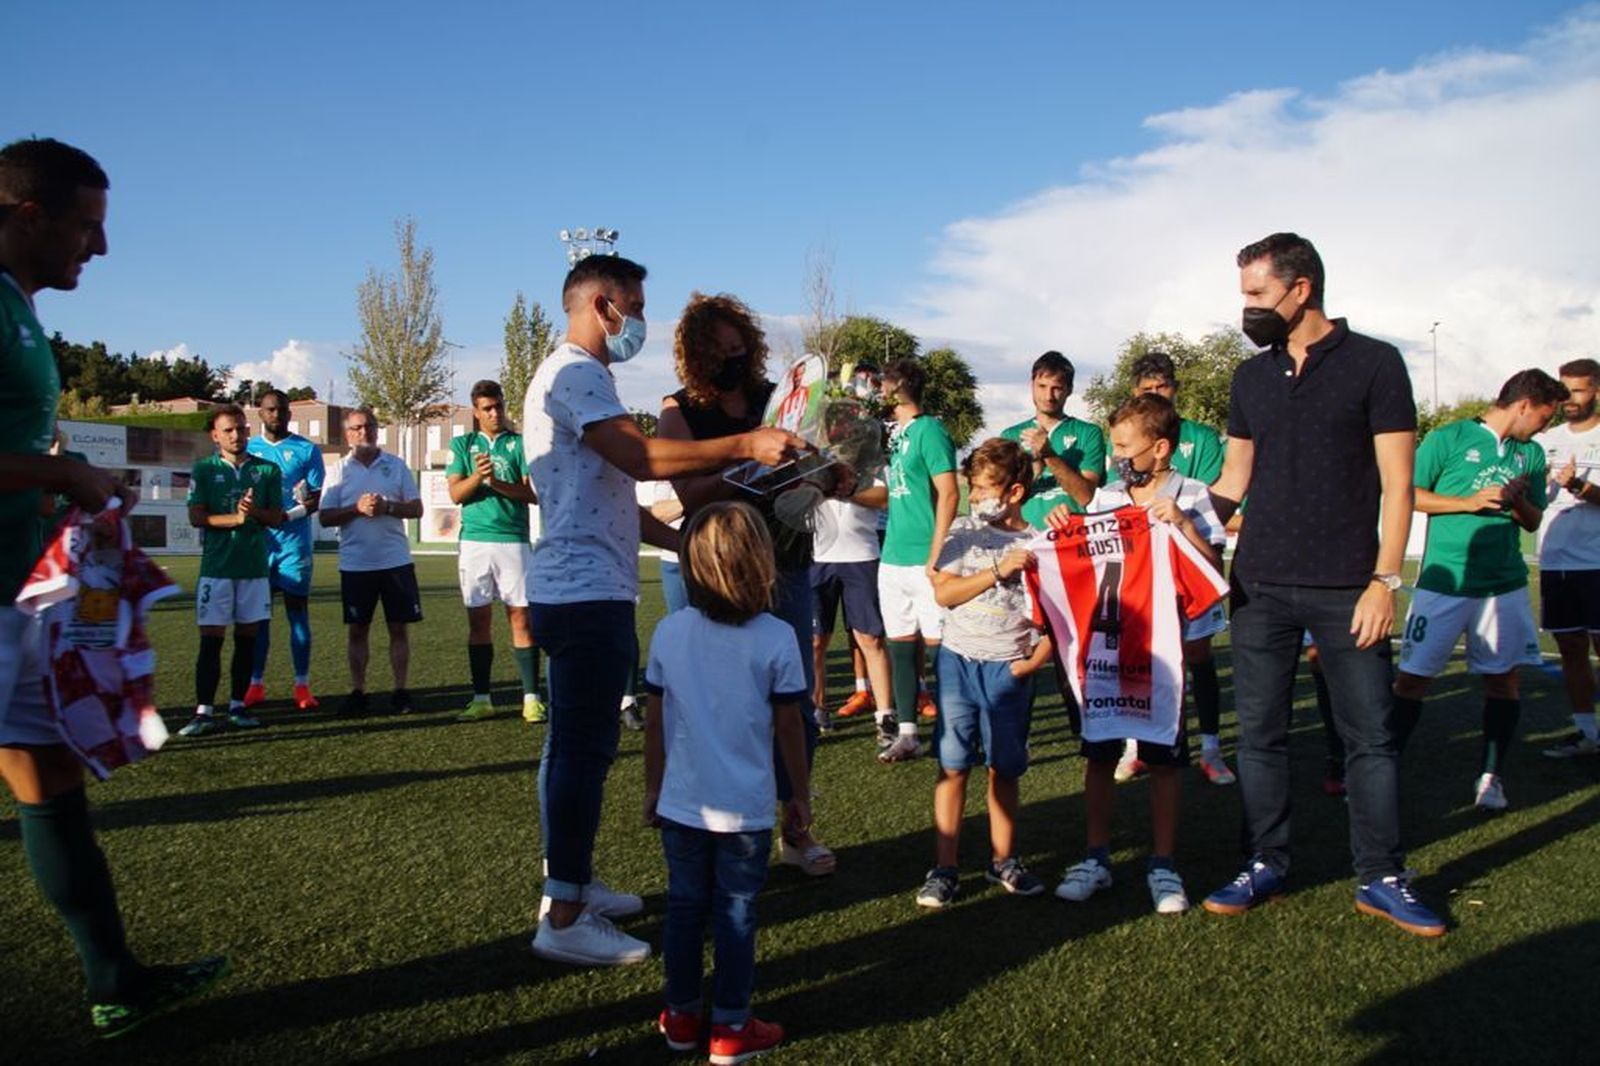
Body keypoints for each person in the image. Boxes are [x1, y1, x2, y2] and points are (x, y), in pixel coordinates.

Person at [0, 135, 228, 1037]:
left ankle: (114, 978)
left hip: (18, 587)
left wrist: (62, 479)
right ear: (28, 215)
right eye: (87, 226)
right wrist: (62, 478)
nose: (98, 249)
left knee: (48, 773)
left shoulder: (18, 304)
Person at [523, 256, 803, 967]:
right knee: (583, 754)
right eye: (634, 306)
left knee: (572, 749)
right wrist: (745, 443)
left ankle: (574, 882)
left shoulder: (580, 377)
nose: (638, 321)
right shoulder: (574, 373)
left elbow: (617, 498)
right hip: (584, 591)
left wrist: (686, 542)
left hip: (582, 583)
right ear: (601, 304)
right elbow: (644, 462)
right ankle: (563, 914)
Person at [1204, 232, 1444, 938]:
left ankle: (1380, 875)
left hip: (1349, 586)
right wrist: (1178, 522)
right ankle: (1265, 861)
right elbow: (1233, 481)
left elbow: (1399, 485)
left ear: (1300, 287)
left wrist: (1385, 580)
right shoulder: (1250, 378)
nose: (1246, 308)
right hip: (1259, 587)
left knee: (1369, 737)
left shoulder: (1376, 363)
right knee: (1261, 736)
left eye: (1255, 294)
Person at [657, 291, 836, 875]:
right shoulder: (678, 410)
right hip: (713, 565)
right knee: (716, 706)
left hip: (784, 559)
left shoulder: (778, 401)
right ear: (696, 357)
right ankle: (706, 825)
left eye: (739, 349)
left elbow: (816, 466)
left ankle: (797, 828)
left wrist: (829, 471)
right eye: (720, 352)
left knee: (795, 705)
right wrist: (749, 464)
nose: (734, 360)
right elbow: (688, 495)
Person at [644, 501, 809, 1063]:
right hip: (746, 810)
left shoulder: (670, 632)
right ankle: (731, 1026)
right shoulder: (778, 637)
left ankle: (683, 1016)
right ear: (761, 563)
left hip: (683, 804)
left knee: (685, 910)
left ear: (690, 565)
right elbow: (790, 726)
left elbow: (658, 725)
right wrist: (800, 795)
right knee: (736, 913)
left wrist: (652, 788)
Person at [1052, 395, 1222, 914]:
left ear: (1161, 447)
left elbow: (1215, 571)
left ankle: (1164, 865)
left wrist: (1184, 526)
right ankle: (1096, 857)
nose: (1119, 456)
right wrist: (1065, 526)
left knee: (1164, 758)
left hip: (1161, 652)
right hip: (1108, 647)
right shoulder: (1104, 498)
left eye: (1126, 446)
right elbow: (1083, 559)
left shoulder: (1192, 494)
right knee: (1100, 754)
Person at [1391, 370, 1564, 810]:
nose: (1547, 425)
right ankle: (1381, 769)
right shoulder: (1448, 439)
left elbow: (1533, 520)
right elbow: (1406, 494)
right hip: (1445, 581)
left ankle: (1490, 777)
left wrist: (1517, 499)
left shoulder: (1532, 454)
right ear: (1525, 404)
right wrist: (1467, 502)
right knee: (1412, 681)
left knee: (1504, 682)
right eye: (1546, 415)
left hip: (1503, 585)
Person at [915, 439, 1052, 908]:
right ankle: (944, 867)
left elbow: (1060, 616)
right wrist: (996, 569)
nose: (975, 497)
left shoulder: (1038, 544)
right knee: (953, 765)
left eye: (981, 488)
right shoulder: (963, 532)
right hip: (958, 662)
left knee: (1003, 768)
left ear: (1014, 492)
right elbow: (944, 595)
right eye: (972, 488)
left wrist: (1034, 662)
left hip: (1007, 667)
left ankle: (1003, 860)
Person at [1127, 351, 1232, 786]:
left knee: (1198, 658)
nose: (1155, 394)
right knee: (1142, 659)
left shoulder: (1201, 438)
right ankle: (1136, 747)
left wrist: (1180, 518)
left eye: (1162, 387)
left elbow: (1209, 497)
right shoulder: (1124, 467)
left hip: (1191, 569)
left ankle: (1211, 747)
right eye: (1146, 389)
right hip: (1146, 578)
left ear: (1175, 388)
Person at [868, 358, 959, 763]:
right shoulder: (895, 435)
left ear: (900, 385)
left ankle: (953, 733)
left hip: (926, 558)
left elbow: (950, 493)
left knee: (943, 650)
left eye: (882, 384)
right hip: (892, 558)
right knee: (900, 647)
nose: (877, 391)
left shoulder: (931, 430)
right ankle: (908, 734)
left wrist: (936, 551)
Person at [177, 405, 284, 737]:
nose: (236, 435)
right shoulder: (204, 470)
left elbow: (277, 517)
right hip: (217, 569)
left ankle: (238, 706)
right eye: (228, 430)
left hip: (254, 569)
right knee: (211, 641)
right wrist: (235, 519)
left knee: (247, 639)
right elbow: (197, 517)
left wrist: (253, 513)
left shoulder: (266, 471)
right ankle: (204, 711)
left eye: (240, 428)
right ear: (215, 435)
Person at [446, 379, 545, 724]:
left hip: (514, 541)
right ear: (475, 412)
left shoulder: (519, 444)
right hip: (474, 541)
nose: (494, 413)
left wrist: (496, 483)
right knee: (479, 621)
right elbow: (457, 494)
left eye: (498, 406)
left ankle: (531, 699)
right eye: (487, 408)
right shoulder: (462, 444)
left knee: (522, 619)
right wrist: (478, 477)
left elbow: (533, 494)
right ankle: (482, 698)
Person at [317, 407, 424, 716]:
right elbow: (325, 516)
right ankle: (358, 691)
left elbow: (416, 509)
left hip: (395, 562)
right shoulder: (337, 471)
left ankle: (401, 691)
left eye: (370, 426)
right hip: (356, 564)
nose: (364, 432)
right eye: (357, 428)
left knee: (399, 629)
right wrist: (356, 509)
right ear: (347, 434)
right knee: (357, 630)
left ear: (378, 430)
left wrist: (388, 507)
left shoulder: (396, 466)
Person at [243, 388, 325, 711]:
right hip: (258, 549)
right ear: (260, 414)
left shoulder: (306, 450)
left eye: (281, 410)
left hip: (294, 547)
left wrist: (287, 516)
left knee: (297, 613)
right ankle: (255, 685)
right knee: (259, 618)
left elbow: (317, 498)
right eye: (270, 410)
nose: (276, 415)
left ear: (290, 414)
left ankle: (302, 686)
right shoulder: (249, 450)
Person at [1537, 357, 1600, 758]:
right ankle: (1586, 733)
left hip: (1597, 561)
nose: (1568, 399)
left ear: (1596, 392)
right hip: (1556, 560)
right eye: (1564, 390)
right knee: (1571, 648)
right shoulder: (1546, 440)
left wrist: (1578, 484)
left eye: (1577, 390)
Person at [810, 491, 893, 730]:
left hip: (862, 555)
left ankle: (885, 716)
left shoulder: (871, 462)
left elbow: (884, 499)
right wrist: (820, 485)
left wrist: (845, 488)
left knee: (871, 638)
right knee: (815, 640)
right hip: (817, 556)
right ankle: (818, 710)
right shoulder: (808, 461)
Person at [1001, 350, 1106, 530]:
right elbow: (1001, 498)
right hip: (1021, 539)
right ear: (1031, 384)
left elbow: (1085, 496)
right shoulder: (1010, 436)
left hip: (1070, 536)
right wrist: (1033, 474)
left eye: (1056, 388)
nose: (1048, 396)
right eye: (1042, 386)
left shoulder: (1088, 433)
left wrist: (1049, 455)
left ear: (1069, 389)